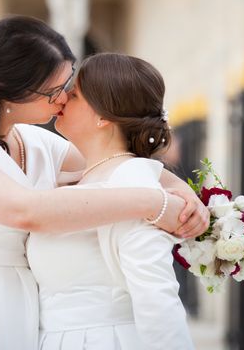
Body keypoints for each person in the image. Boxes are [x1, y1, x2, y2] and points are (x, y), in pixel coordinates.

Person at [0, 16, 207, 350]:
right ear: (10, 91)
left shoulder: (35, 143)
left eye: (68, 85)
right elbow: (25, 211)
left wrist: (190, 201)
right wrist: (153, 204)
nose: (63, 99)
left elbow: (120, 163)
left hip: (23, 311)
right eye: (54, 91)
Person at [28, 53, 195, 349]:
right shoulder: (91, 176)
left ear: (103, 116)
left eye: (75, 94)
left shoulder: (130, 180)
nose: (63, 98)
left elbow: (157, 299)